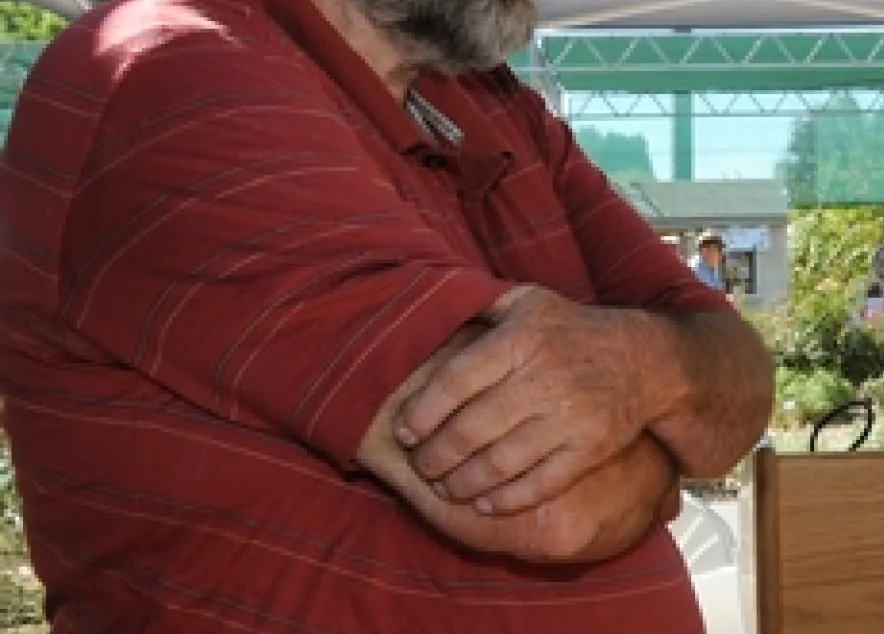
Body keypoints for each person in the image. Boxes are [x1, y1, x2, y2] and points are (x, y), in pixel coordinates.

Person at [0, 0, 778, 630]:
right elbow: (560, 505)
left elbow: (741, 372)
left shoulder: (492, 103)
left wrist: (639, 369)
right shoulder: (172, 69)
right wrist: (668, 411)